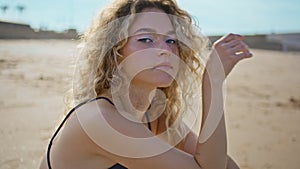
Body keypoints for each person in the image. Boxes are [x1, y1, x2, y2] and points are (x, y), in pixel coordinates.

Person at [39, 0, 252, 168]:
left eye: (171, 41)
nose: (165, 51)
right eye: (146, 39)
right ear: (115, 53)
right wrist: (212, 80)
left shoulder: (155, 115)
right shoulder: (101, 120)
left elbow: (223, 165)